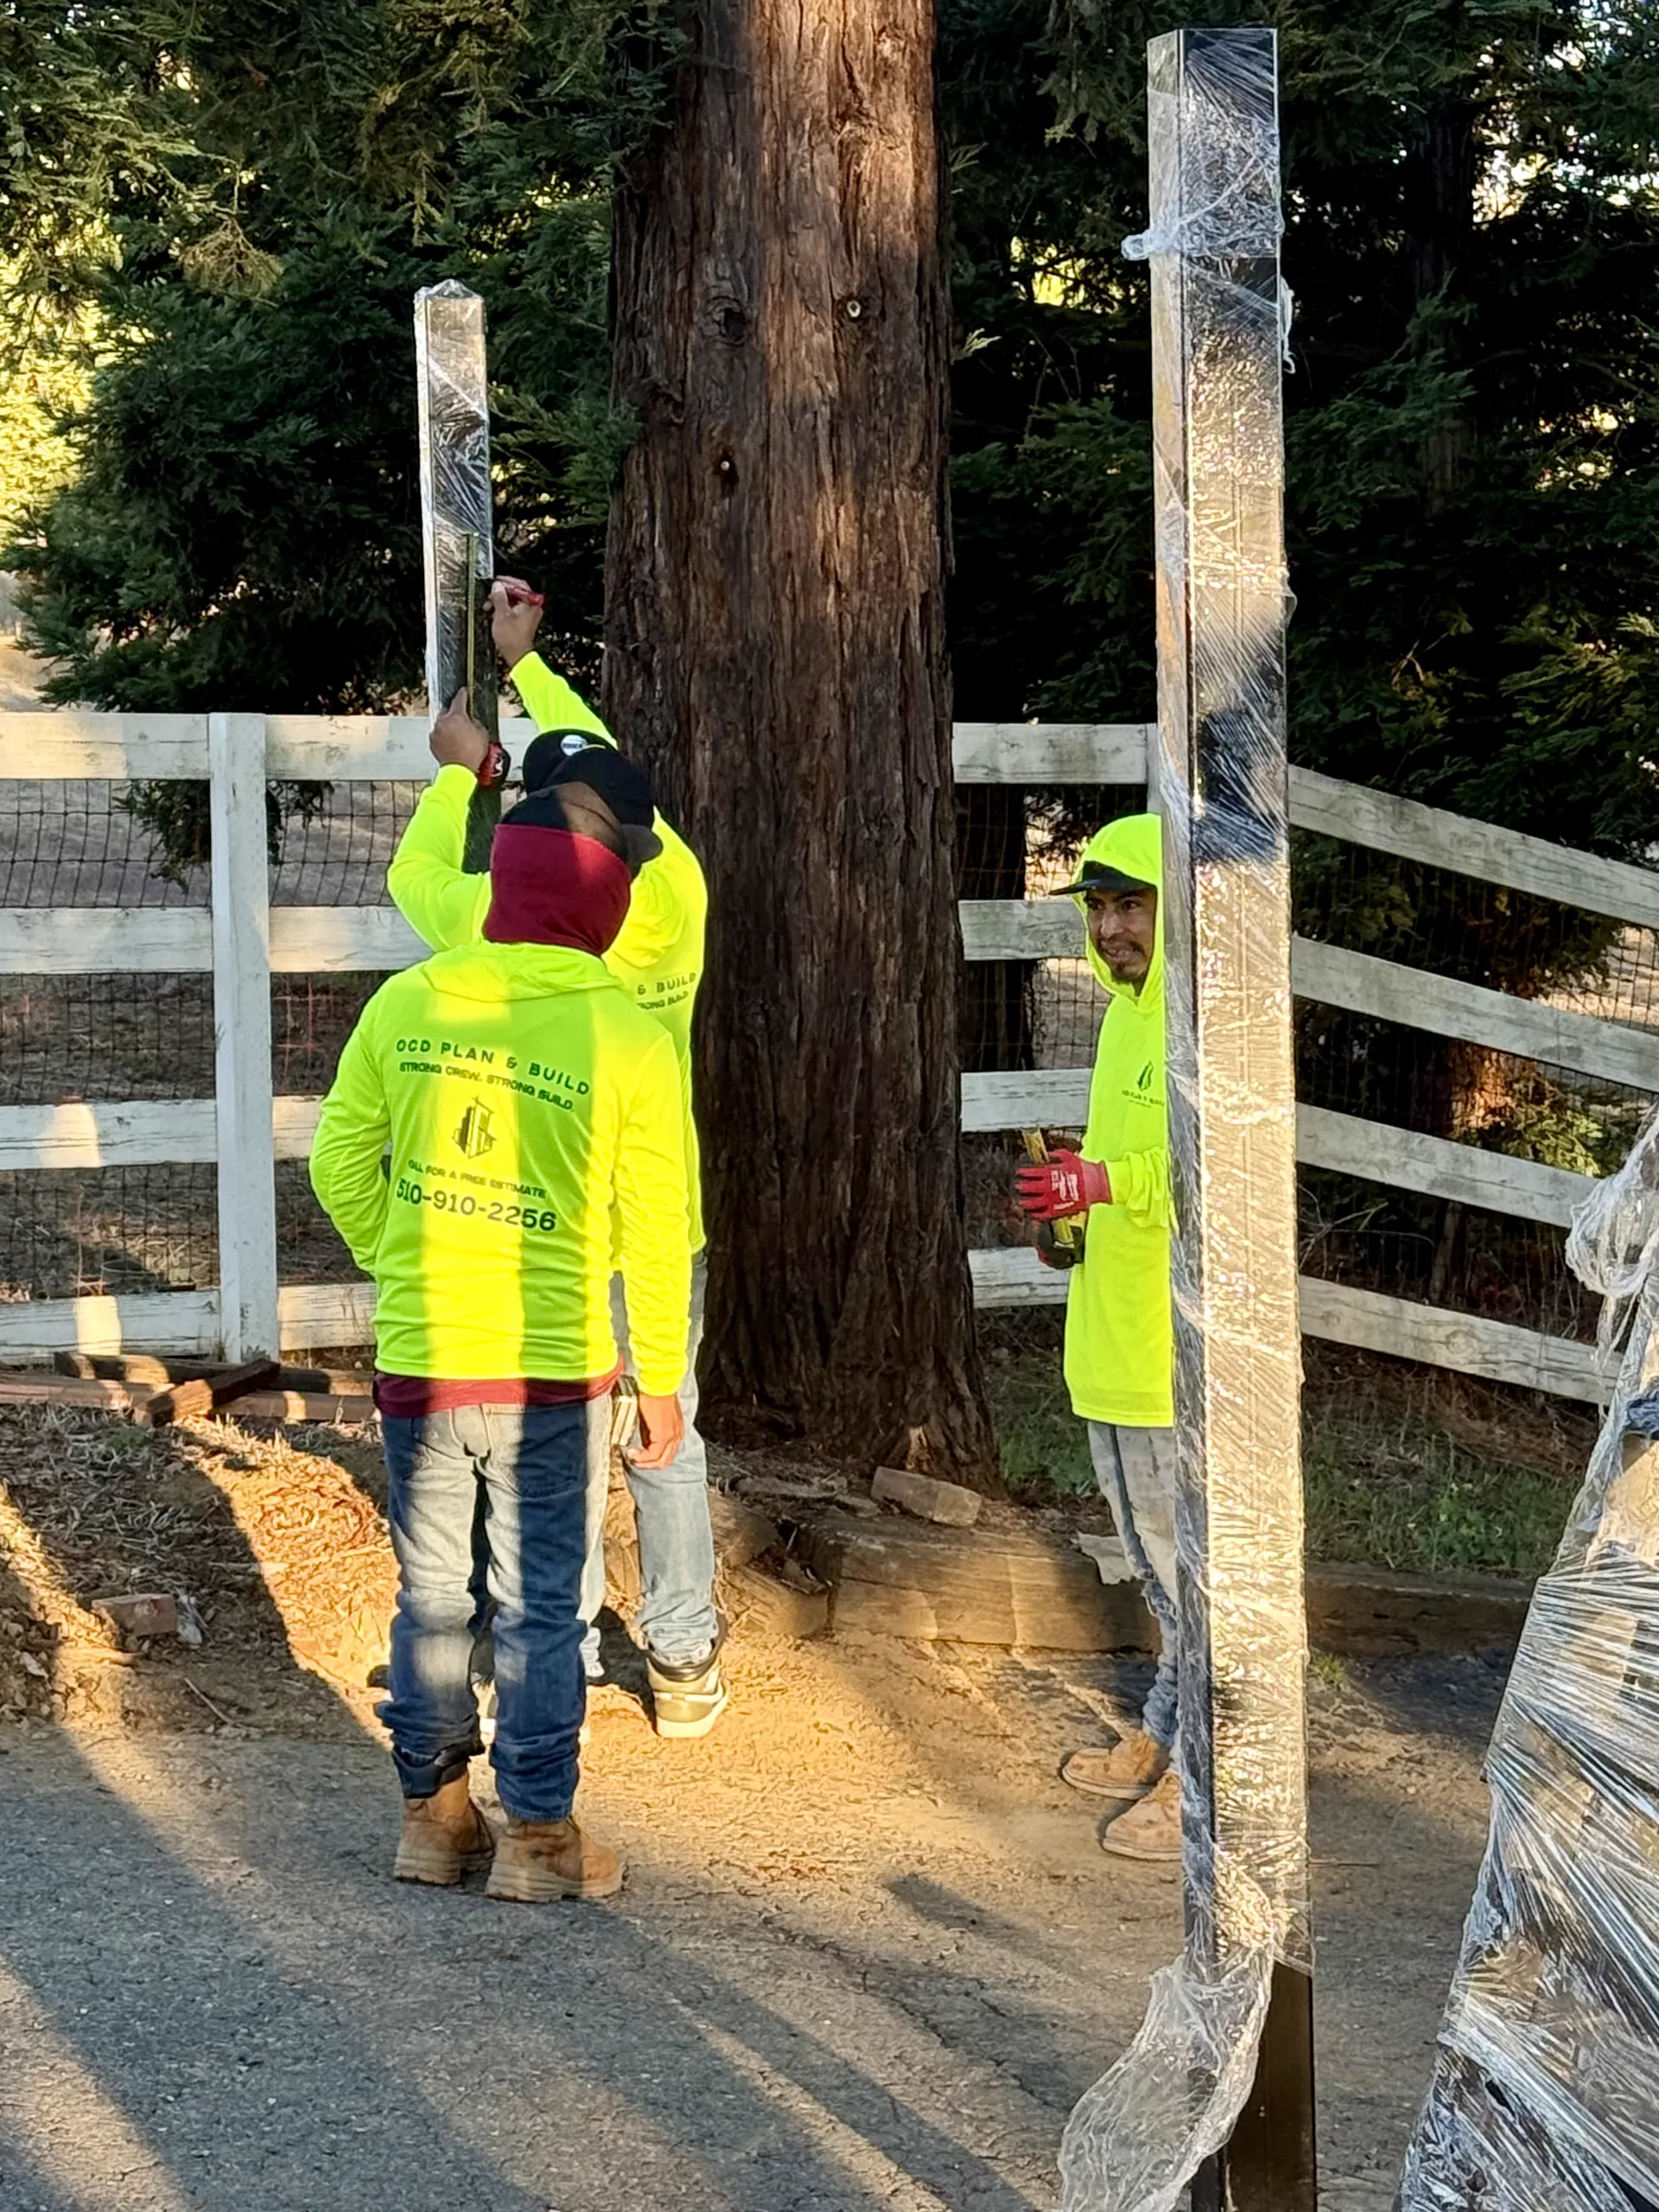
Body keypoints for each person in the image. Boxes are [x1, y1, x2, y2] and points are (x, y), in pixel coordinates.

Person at [311, 766, 692, 1901]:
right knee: (541, 1607)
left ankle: (433, 1822)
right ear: (603, 900)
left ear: (504, 885)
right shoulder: (628, 1039)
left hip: (424, 1360)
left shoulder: (409, 1002)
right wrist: (661, 1381)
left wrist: (404, 1261)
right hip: (551, 1375)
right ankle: (536, 1834)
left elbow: (337, 1161)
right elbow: (656, 1233)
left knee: (433, 1597)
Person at [387, 585, 724, 1741]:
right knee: (667, 1433)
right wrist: (526, 670)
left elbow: (414, 882)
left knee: (566, 1449)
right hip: (659, 1218)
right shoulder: (675, 888)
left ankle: (560, 1655)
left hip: (555, 1227)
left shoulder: (510, 913)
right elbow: (603, 769)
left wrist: (463, 775)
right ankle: (683, 1653)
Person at [1014, 811, 1179, 1862]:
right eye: (1102, 906)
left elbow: (1213, 1177)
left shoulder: (1198, 1022)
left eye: (1134, 904)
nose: (1114, 927)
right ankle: (1166, 1734)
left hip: (1170, 1359)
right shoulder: (1124, 1017)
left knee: (1196, 1585)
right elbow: (1124, 1170)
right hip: (1111, 1341)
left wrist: (1104, 1181)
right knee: (1160, 1579)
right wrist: (1072, 1212)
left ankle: (1209, 1785)